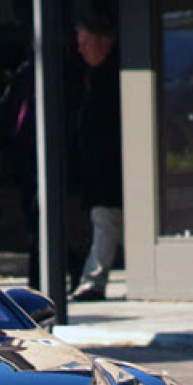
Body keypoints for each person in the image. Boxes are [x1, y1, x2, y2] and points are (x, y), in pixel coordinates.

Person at [69, 15, 123, 303]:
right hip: (100, 171)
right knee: (106, 220)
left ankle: (94, 280)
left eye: (84, 43)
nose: (81, 50)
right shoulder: (93, 76)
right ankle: (93, 279)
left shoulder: (112, 77)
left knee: (106, 220)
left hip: (111, 170)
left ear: (103, 42)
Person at [0, 57, 39, 287]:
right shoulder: (26, 72)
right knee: (33, 220)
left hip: (42, 157)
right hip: (24, 158)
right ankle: (61, 266)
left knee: (40, 220)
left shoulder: (56, 71)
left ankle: (40, 276)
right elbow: (8, 103)